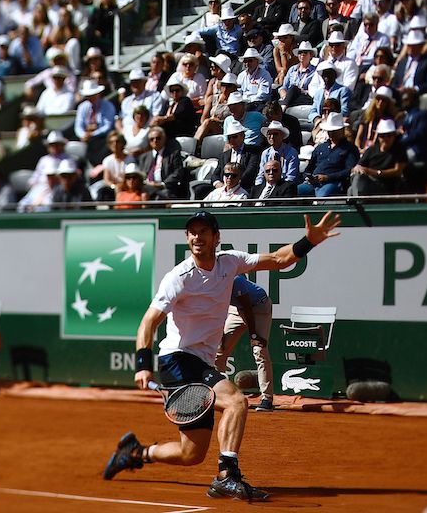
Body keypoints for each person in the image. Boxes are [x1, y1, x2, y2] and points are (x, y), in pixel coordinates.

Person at [103, 209, 343, 501]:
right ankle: (227, 476)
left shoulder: (230, 262)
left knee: (191, 453)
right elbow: (148, 322)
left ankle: (136, 452)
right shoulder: (178, 277)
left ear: (217, 238)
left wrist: (309, 241)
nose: (197, 237)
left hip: (200, 361)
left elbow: (281, 260)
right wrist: (143, 364)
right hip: (177, 359)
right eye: (192, 232)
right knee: (236, 401)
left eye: (204, 231)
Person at [214, 275, 275, 412]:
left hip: (259, 307)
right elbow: (218, 310)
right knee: (219, 351)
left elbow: (247, 309)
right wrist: (220, 334)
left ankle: (267, 399)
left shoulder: (235, 281)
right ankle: (220, 395)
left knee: (260, 351)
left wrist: (254, 335)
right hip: (236, 310)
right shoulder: (212, 283)